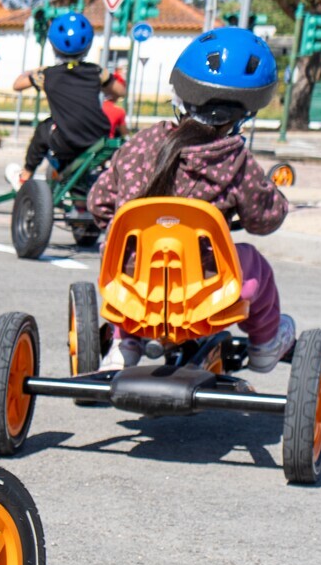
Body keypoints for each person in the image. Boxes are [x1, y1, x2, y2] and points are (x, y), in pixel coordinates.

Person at [87, 26, 295, 373]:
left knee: (124, 253)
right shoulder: (235, 161)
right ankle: (264, 344)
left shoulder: (139, 145)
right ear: (247, 112)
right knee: (253, 262)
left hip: (134, 289)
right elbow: (265, 220)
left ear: (180, 94)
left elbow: (98, 203)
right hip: (205, 293)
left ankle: (126, 342)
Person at [11, 9, 123, 187]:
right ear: (88, 45)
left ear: (53, 45)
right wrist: (106, 87)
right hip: (97, 137)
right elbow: (120, 90)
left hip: (66, 141)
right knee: (69, 138)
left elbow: (17, 85)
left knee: (44, 129)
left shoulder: (47, 75)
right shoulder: (96, 72)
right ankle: (79, 194)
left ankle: (25, 176)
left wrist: (35, 71)